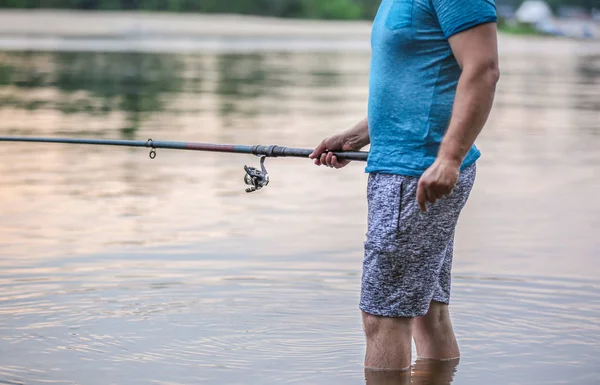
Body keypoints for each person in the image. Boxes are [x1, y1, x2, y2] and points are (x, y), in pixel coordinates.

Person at [309, 0, 499, 372]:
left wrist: (449, 158)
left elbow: (483, 70)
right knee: (426, 310)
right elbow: (415, 77)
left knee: (383, 317)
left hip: (416, 173)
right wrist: (356, 136)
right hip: (404, 167)